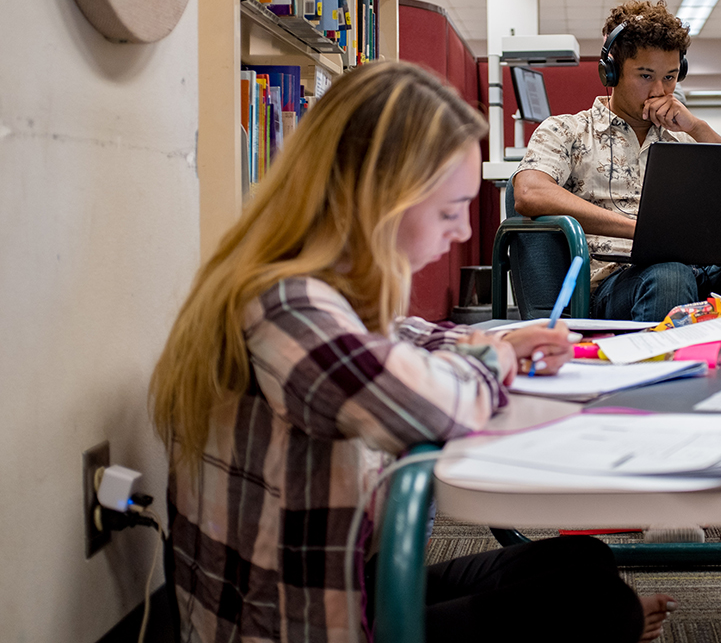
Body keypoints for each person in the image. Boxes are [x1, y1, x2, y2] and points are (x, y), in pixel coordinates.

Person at [149, 61, 676, 643]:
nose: (458, 233)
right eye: (450, 211)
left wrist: (498, 341)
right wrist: (498, 358)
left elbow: (401, 339)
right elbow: (433, 405)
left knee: (585, 563)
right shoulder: (285, 308)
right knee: (595, 602)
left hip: (345, 580)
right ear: (379, 200)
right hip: (297, 622)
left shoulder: (310, 286)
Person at [512, 0, 721, 332]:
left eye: (670, 77)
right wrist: (643, 233)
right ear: (611, 71)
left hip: (706, 273)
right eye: (646, 76)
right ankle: (664, 383)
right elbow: (530, 192)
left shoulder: (686, 138)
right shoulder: (568, 130)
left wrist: (697, 128)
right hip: (621, 282)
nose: (660, 91)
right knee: (670, 275)